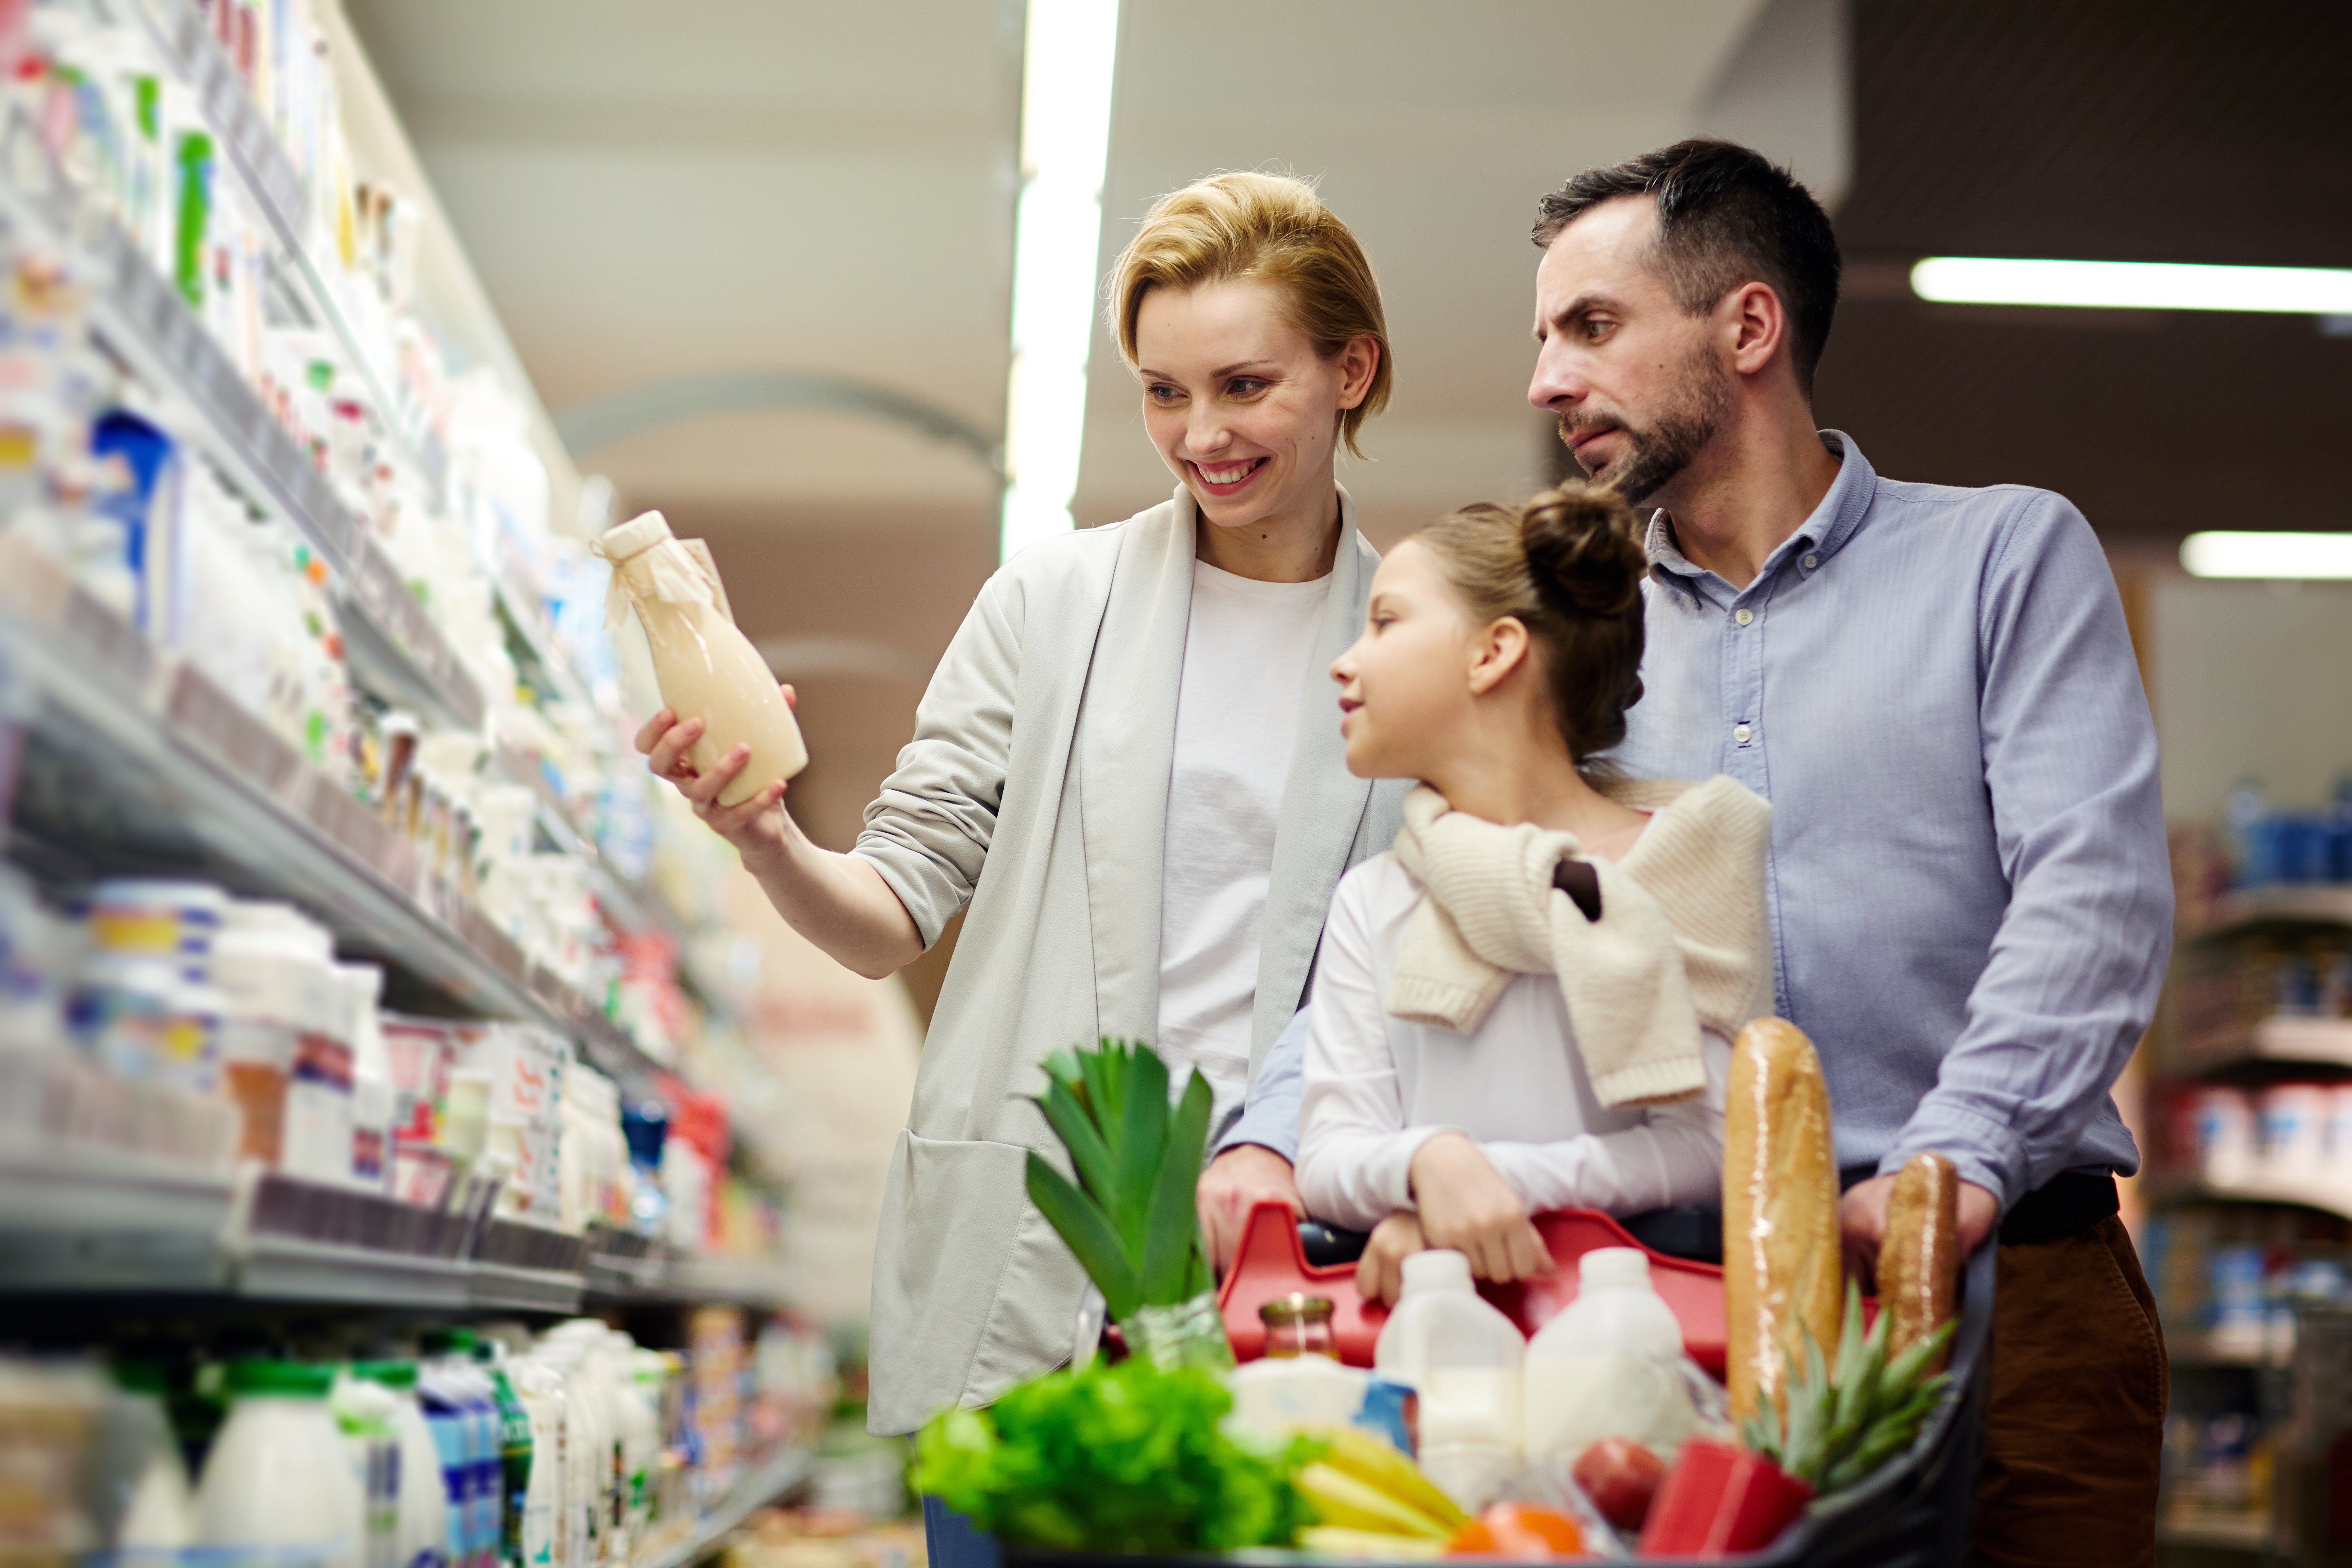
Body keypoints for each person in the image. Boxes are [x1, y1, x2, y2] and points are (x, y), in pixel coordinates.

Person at [631, 170, 1409, 1440]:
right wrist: (768, 839)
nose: (1201, 432)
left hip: (1291, 1239)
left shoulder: (1418, 643)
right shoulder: (1049, 604)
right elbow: (892, 912)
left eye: (1244, 386)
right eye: (1164, 391)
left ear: (1353, 370)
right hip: (1039, 1229)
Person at [1523, 140, 2172, 1565]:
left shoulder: (2004, 560)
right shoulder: (1573, 640)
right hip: (1687, 1301)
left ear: (1747, 327)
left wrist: (1950, 1169)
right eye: (1546, 339)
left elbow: (2096, 897)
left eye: (1593, 327)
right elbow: (1435, 903)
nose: (1548, 381)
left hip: (2017, 1295)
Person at [1292, 486, 1773, 1307]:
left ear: (1493, 653)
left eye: (1386, 622)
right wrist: (1428, 1167)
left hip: (1640, 1341)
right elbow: (1330, 1152)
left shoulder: (1686, 861)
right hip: (1432, 1337)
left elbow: (1714, 1148)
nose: (1347, 660)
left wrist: (1482, 1182)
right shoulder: (1376, 897)